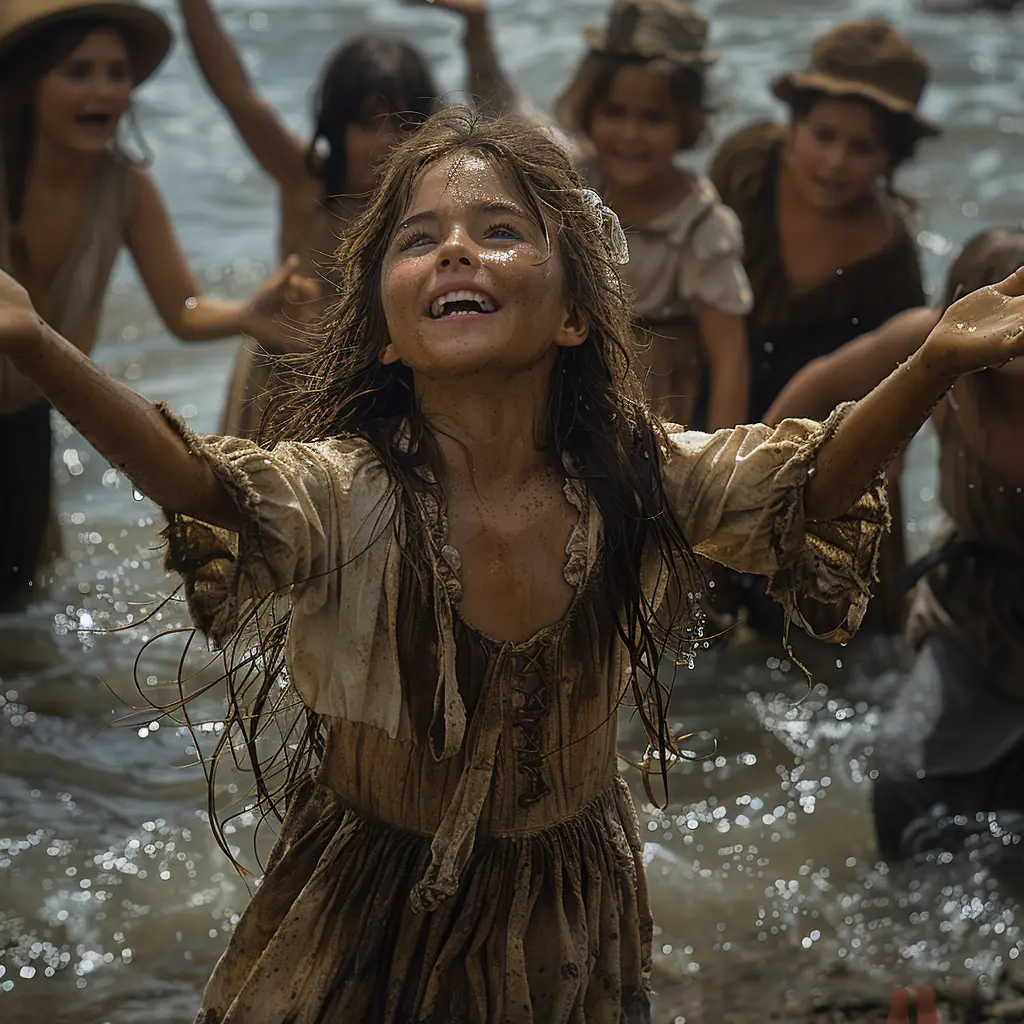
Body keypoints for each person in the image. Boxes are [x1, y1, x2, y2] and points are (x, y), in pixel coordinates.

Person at [1, 108, 1021, 1022]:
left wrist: (931, 363)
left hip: (563, 902)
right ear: (389, 335)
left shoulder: (635, 476)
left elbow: (800, 485)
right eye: (418, 239)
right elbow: (199, 484)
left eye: (498, 232)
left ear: (574, 314)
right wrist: (40, 346)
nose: (456, 251)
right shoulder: (347, 492)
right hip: (362, 896)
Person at [0, 0, 309, 612]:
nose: (105, 89)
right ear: (30, 80)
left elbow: (183, 309)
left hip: (27, 423)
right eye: (79, 71)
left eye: (117, 73)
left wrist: (246, 314)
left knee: (17, 605)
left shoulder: (125, 186)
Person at [768, 227, 1024, 864]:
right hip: (972, 608)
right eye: (1003, 305)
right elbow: (818, 387)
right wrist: (762, 494)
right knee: (904, 781)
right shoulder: (931, 348)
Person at [177, 0, 517, 439]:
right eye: (367, 122)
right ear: (336, 129)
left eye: (404, 122)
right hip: (290, 397)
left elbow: (506, 135)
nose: (388, 141)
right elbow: (235, 93)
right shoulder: (310, 187)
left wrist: (477, 28)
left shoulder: (429, 209)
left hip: (386, 401)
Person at [709, 18, 939, 633]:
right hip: (727, 400)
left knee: (825, 638)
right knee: (700, 618)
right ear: (792, 124)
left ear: (891, 159)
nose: (835, 161)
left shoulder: (890, 258)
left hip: (818, 447)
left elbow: (902, 395)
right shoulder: (747, 170)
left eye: (861, 148)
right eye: (823, 135)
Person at [552, 0, 751, 430]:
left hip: (656, 406)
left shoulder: (701, 227)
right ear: (588, 110)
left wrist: (718, 461)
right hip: (569, 386)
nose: (630, 134)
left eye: (653, 118)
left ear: (688, 124)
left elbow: (730, 360)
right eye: (614, 112)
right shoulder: (570, 183)